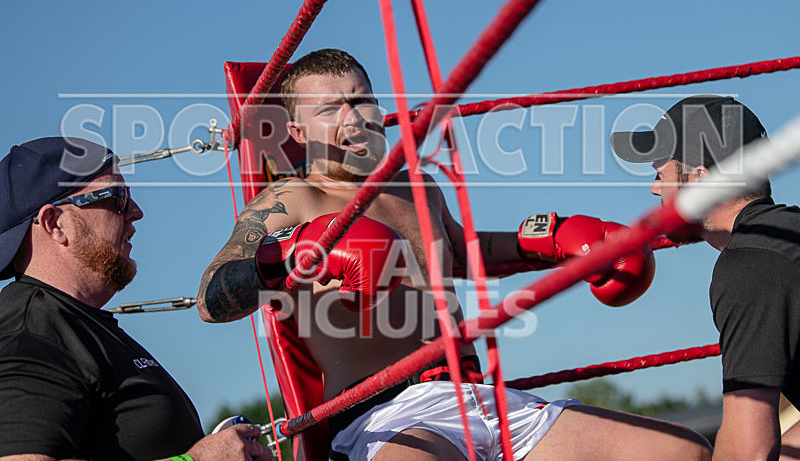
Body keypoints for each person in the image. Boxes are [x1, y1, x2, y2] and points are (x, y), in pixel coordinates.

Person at [198, 48, 712, 460]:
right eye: (331, 109)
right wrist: (297, 255)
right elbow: (210, 296)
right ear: (297, 133)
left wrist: (552, 240)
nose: (355, 119)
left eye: (363, 100)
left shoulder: (416, 186)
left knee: (681, 450)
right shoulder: (291, 200)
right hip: (386, 413)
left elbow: (459, 254)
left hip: (480, 395)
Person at [0, 137, 271, 460]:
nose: (136, 212)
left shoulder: (72, 323)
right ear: (55, 224)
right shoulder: (31, 333)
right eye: (118, 197)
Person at [610, 95, 800, 459]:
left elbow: (749, 451)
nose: (654, 188)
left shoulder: (750, 265)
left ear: (700, 179)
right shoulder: (786, 237)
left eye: (660, 174)